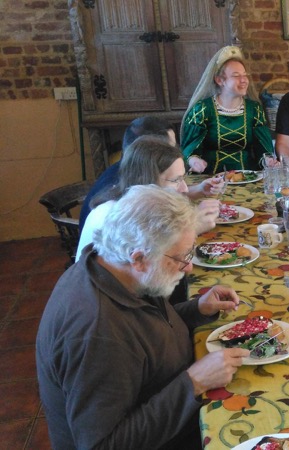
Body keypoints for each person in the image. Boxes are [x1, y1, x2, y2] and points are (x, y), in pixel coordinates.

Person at [37, 185, 250, 449]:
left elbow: (146, 329)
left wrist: (196, 309)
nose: (189, 266)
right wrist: (194, 382)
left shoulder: (112, 266)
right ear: (138, 258)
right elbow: (102, 445)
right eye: (182, 257)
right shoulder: (98, 333)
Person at [77, 135, 220, 262]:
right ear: (146, 180)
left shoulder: (137, 205)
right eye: (176, 180)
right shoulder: (117, 216)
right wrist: (193, 228)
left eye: (184, 178)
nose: (185, 189)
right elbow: (151, 267)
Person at [79, 116, 223, 233]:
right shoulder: (119, 213)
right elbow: (150, 257)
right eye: (168, 148)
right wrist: (193, 227)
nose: (172, 153)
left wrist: (196, 191)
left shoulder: (131, 185)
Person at [182, 45, 275, 174]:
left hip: (248, 177)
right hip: (210, 179)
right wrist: (194, 161)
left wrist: (268, 161)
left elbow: (263, 150)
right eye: (236, 76)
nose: (243, 80)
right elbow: (189, 150)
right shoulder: (202, 110)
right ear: (220, 80)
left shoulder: (254, 110)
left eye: (245, 75)